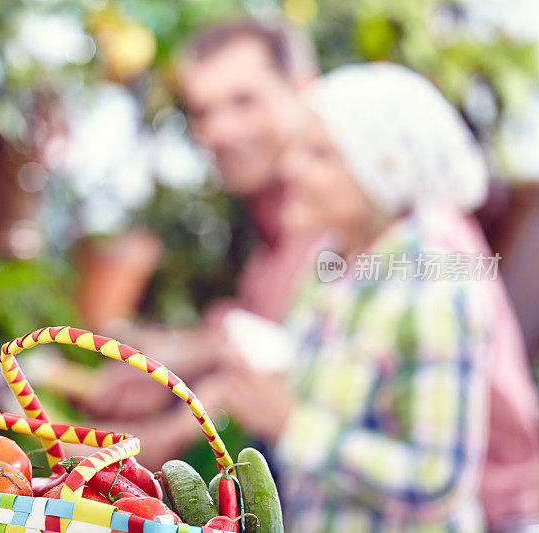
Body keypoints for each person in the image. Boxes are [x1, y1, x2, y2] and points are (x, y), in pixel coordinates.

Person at [194, 62, 539, 531]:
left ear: (383, 168)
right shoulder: (334, 255)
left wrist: (292, 424)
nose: (291, 166)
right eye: (299, 148)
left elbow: (437, 479)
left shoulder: (433, 286)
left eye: (321, 155)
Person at [81, 18, 322, 419]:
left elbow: (293, 355)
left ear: (303, 89)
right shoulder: (267, 225)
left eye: (244, 101)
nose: (219, 131)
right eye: (203, 111)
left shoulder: (353, 219)